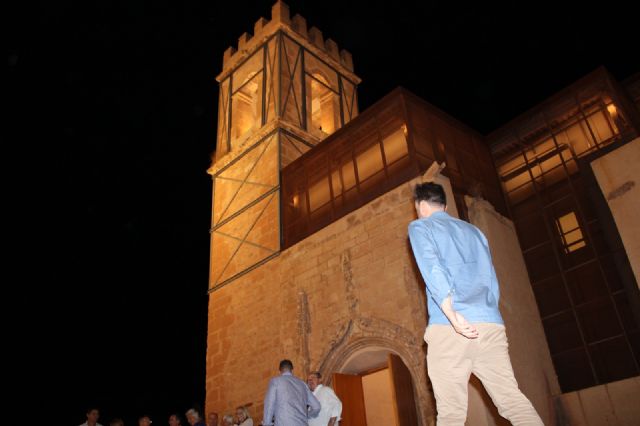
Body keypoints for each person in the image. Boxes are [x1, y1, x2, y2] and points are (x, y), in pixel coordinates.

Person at [408, 182, 544, 426]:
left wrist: (451, 312)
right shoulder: (475, 232)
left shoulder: (420, 227)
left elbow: (431, 267)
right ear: (445, 206)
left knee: (451, 413)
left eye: (417, 207)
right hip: (490, 324)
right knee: (513, 401)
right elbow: (489, 276)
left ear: (422, 206)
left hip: (451, 326)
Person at [262, 359, 321, 426]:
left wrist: (267, 423)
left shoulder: (275, 382)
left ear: (279, 371)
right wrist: (307, 415)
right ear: (292, 370)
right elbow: (317, 406)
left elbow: (269, 405)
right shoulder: (302, 384)